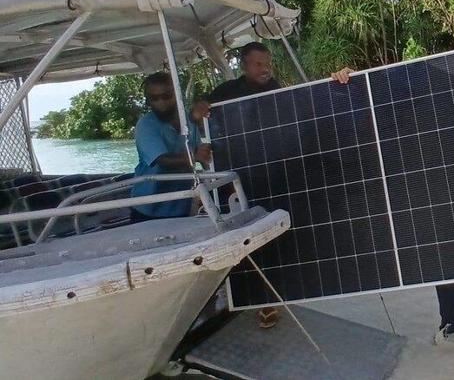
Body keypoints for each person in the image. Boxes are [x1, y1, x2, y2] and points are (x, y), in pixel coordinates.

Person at [195, 41, 354, 329]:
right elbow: (202, 119)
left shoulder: (278, 92)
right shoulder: (224, 94)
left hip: (274, 173)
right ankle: (247, 295)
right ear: (243, 65)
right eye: (258, 64)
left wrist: (336, 82)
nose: (265, 69)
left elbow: (310, 106)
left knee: (273, 237)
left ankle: (269, 300)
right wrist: (200, 121)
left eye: (267, 63)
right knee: (242, 237)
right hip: (238, 179)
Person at [130, 72, 211, 223]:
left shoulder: (189, 120)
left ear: (177, 94)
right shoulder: (146, 125)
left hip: (181, 205)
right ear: (148, 102)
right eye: (154, 99)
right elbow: (162, 160)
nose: (161, 103)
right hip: (148, 210)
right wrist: (195, 156)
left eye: (166, 96)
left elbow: (205, 157)